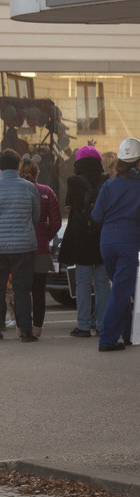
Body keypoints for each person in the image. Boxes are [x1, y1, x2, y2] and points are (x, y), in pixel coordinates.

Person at [0, 149, 41, 342]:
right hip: (23, 246)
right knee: (22, 289)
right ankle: (26, 331)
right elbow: (36, 217)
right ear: (17, 165)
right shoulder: (29, 188)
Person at [92, 136, 140, 352]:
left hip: (107, 240)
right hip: (128, 239)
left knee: (120, 287)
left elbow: (97, 215)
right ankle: (108, 340)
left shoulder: (109, 184)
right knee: (122, 290)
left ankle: (128, 333)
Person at [60, 145, 110, 338]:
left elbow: (68, 207)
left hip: (81, 239)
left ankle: (83, 325)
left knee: (82, 284)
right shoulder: (107, 180)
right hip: (102, 237)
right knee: (102, 283)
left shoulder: (73, 181)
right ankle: (101, 325)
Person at [18, 154, 61, 339]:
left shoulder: (16, 191)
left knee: (21, 290)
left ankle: (22, 328)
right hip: (41, 248)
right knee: (38, 291)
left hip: (19, 248)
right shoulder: (47, 191)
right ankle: (37, 329)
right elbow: (56, 221)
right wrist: (45, 235)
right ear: (37, 172)